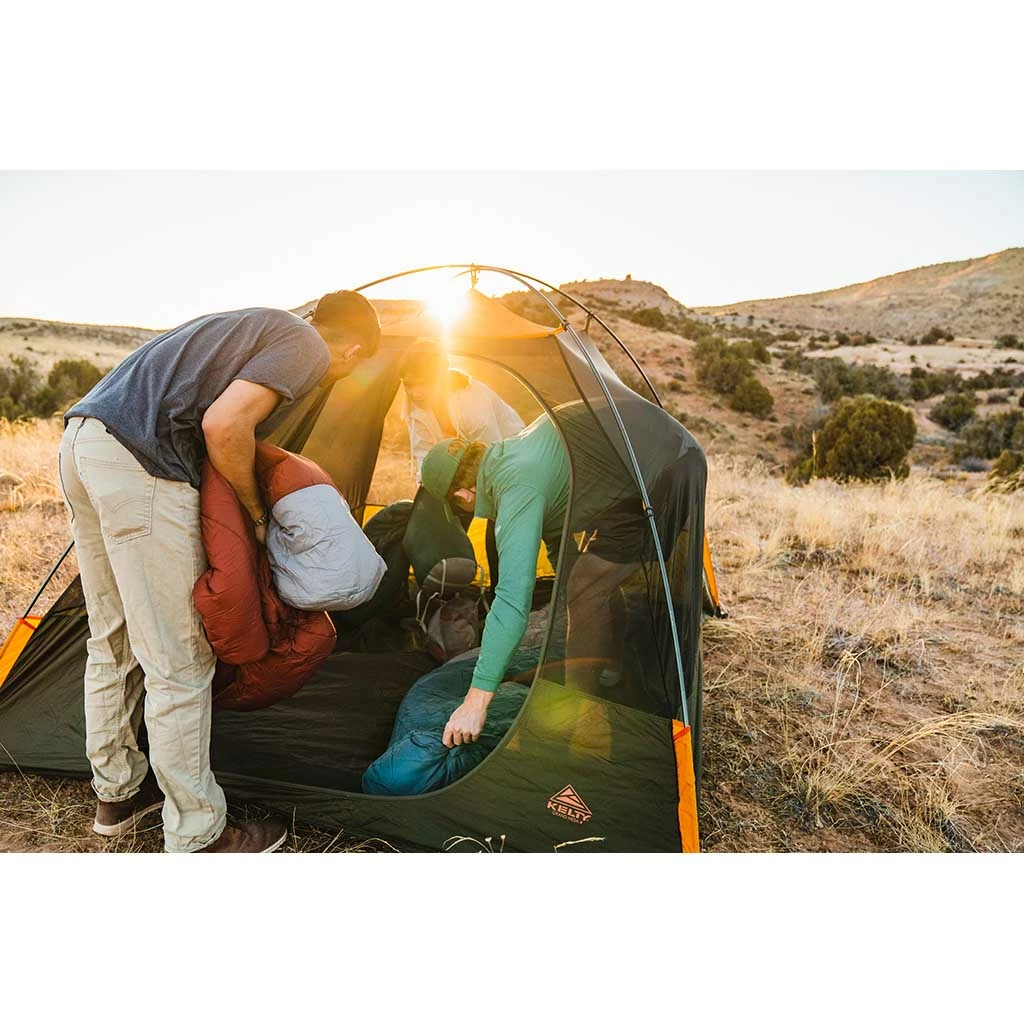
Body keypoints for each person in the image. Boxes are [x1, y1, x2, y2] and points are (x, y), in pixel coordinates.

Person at [58, 291, 381, 852]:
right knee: (178, 660)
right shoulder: (307, 345)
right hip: (143, 465)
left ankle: (118, 795)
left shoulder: (249, 326)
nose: (336, 379)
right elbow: (225, 425)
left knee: (113, 641)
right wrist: (256, 513)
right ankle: (199, 833)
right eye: (351, 367)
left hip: (82, 445)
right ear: (352, 346)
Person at [419, 415, 642, 749]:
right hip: (627, 474)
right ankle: (612, 663)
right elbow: (558, 536)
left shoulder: (516, 484)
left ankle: (584, 721)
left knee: (585, 591)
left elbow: (511, 599)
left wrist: (475, 702)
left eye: (461, 506)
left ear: (463, 494)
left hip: (648, 484)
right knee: (585, 584)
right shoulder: (509, 457)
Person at [399, 340, 525, 483]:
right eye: (408, 385)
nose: (415, 394)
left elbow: (492, 454)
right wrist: (427, 485)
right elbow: (425, 452)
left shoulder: (471, 403)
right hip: (469, 463)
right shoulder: (415, 409)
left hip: (513, 457)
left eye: (422, 384)